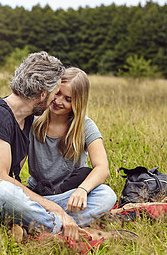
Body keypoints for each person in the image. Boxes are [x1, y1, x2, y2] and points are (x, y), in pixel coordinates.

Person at [0, 52, 86, 240]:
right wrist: (54, 208)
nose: (56, 100)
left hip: (13, 203)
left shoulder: (27, 119)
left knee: (103, 195)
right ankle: (62, 229)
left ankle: (32, 225)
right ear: (42, 94)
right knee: (3, 190)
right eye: (55, 93)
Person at [27, 67, 117, 227]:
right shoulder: (33, 121)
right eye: (57, 93)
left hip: (70, 196)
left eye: (68, 99)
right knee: (12, 197)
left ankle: (42, 224)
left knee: (107, 195)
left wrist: (82, 190)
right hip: (38, 195)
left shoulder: (85, 126)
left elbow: (102, 168)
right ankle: (53, 223)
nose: (58, 101)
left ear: (78, 103)